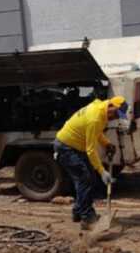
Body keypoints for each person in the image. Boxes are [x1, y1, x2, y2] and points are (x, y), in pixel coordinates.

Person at [54, 96, 128, 230]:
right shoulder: (95, 117)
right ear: (111, 105)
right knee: (85, 179)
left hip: (74, 146)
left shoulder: (101, 111)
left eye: (119, 116)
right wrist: (102, 171)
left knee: (88, 179)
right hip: (66, 148)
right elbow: (90, 149)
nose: (115, 117)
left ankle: (78, 211)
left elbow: (97, 133)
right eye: (116, 113)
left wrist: (107, 143)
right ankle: (87, 218)